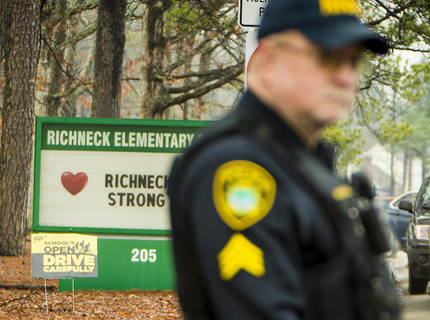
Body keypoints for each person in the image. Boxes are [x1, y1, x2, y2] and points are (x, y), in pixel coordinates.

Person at [167, 0, 400, 319]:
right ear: (269, 62)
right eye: (328, 57)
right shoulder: (237, 168)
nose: (346, 78)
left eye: (353, 61)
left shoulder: (301, 164)